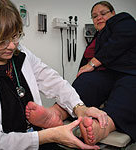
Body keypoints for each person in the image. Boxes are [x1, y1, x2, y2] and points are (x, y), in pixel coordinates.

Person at [0, 0, 103, 149]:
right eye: (2, 41)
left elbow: (51, 79)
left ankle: (55, 115)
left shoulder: (19, 53)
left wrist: (79, 107)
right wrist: (51, 134)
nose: (12, 45)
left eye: (15, 35)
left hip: (34, 137)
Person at [25, 0, 136, 146]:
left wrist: (92, 63)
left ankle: (101, 127)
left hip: (130, 72)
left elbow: (122, 39)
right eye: (94, 16)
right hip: (106, 75)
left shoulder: (123, 20)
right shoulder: (97, 38)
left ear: (113, 14)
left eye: (103, 13)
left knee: (129, 87)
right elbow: (85, 68)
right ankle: (56, 113)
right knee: (87, 81)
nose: (99, 18)